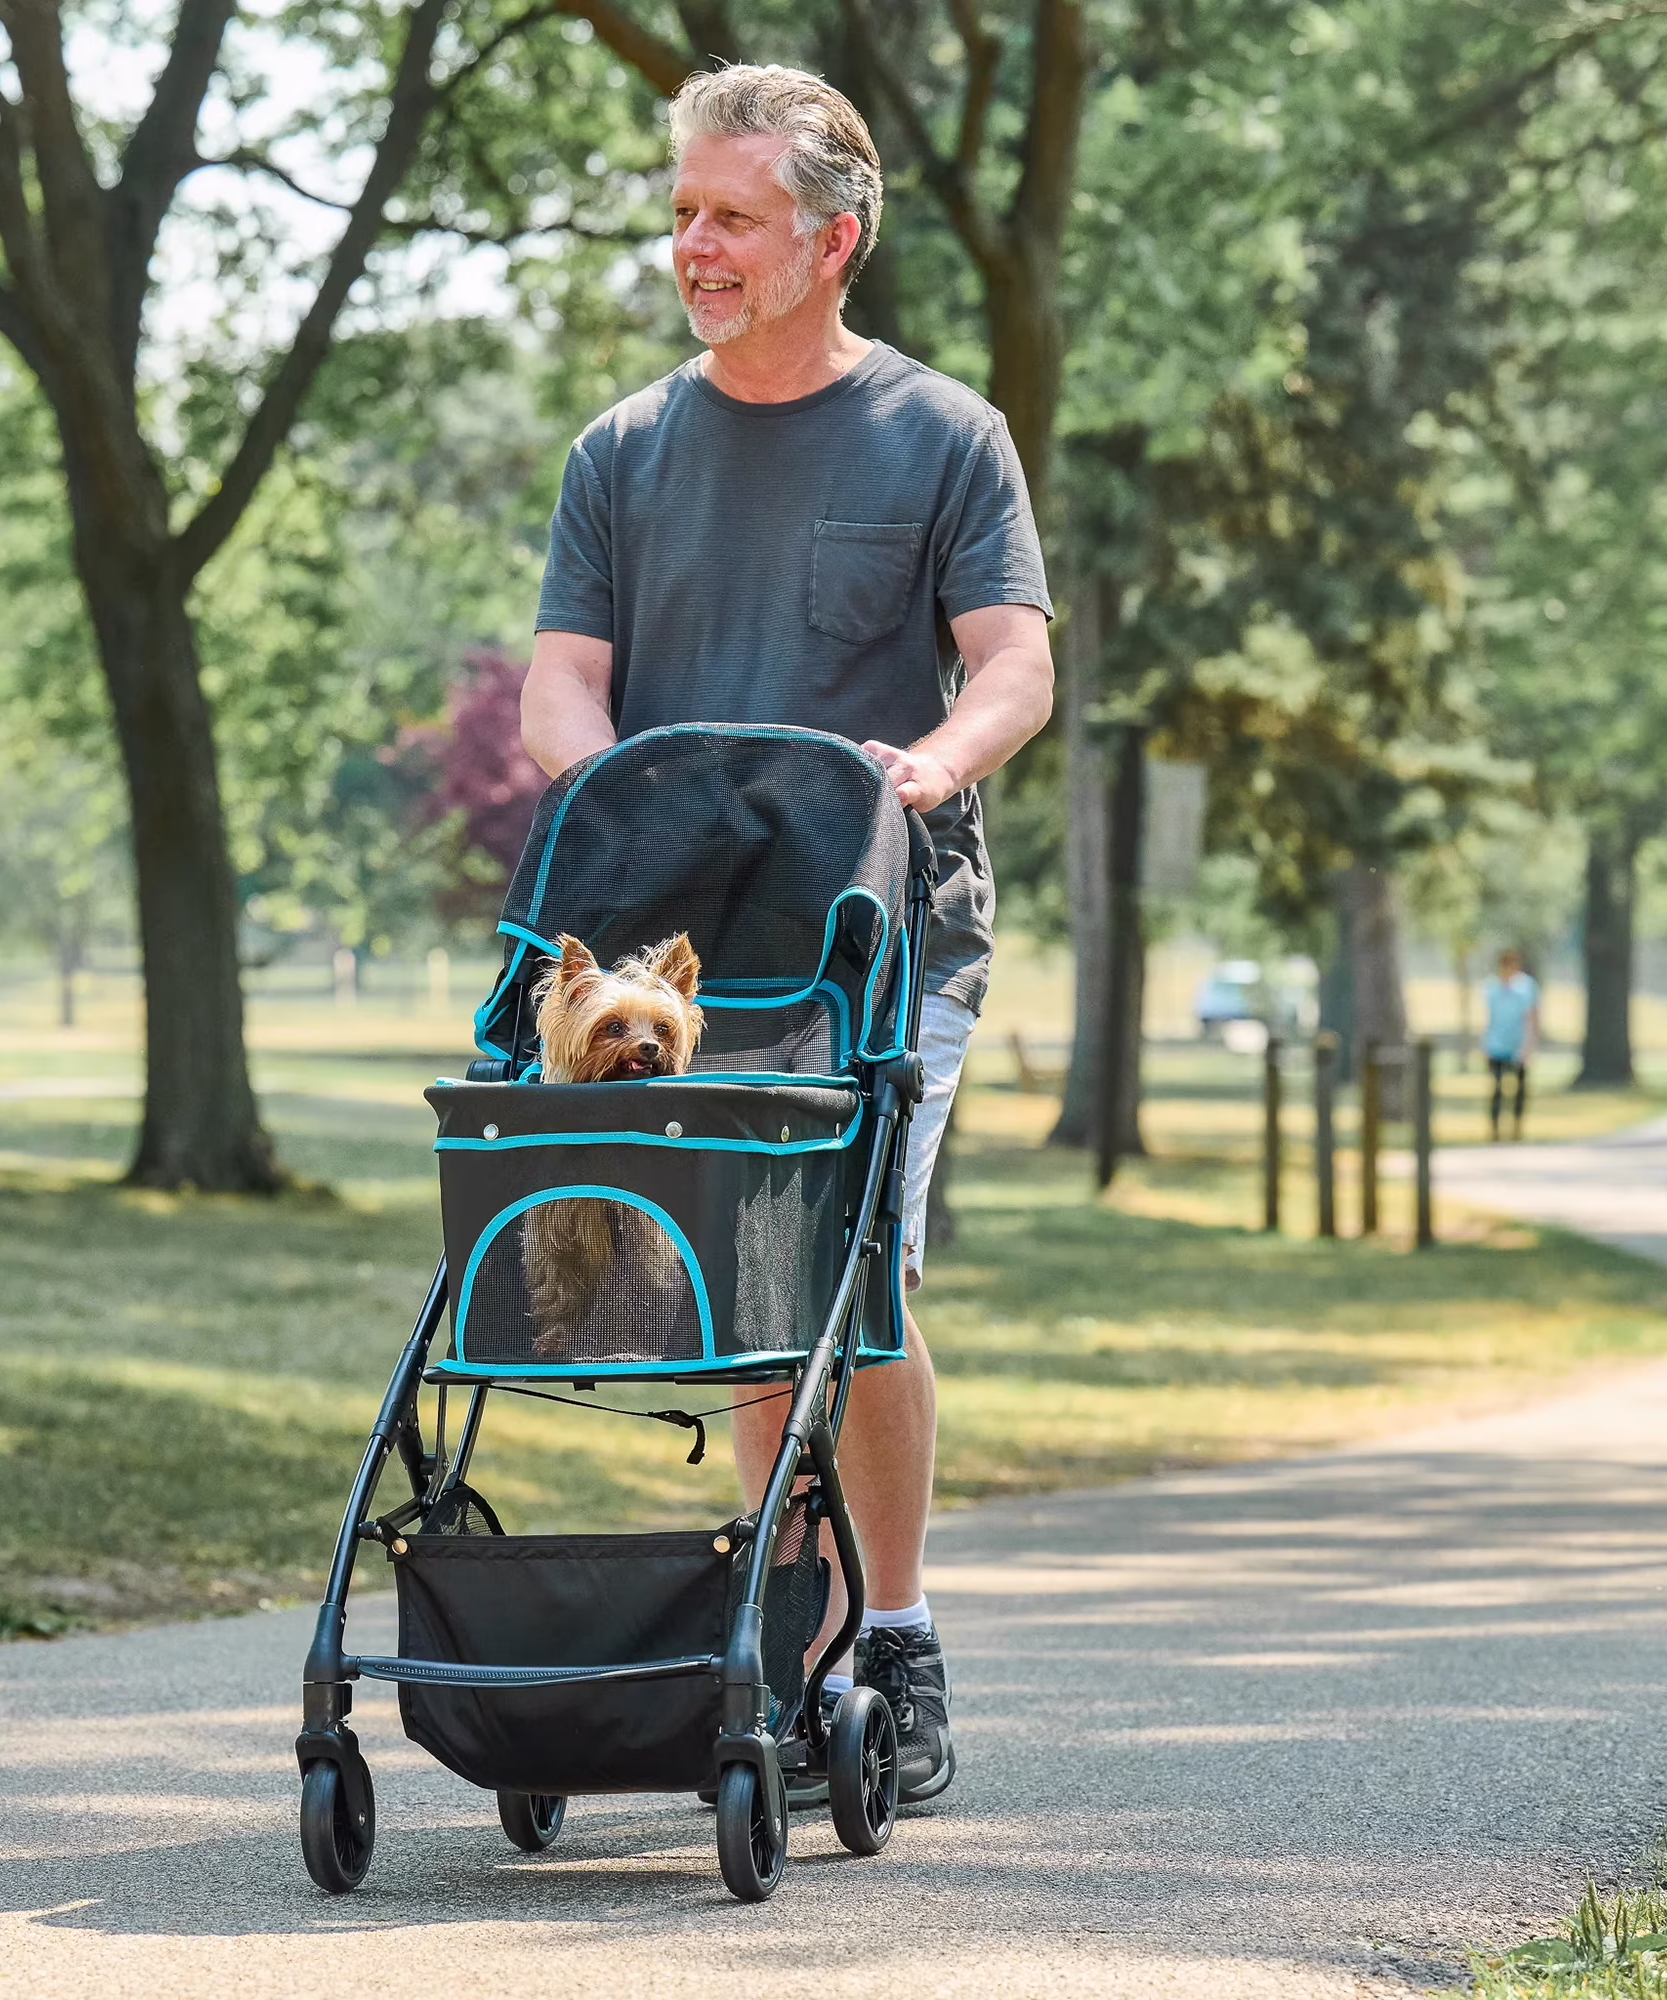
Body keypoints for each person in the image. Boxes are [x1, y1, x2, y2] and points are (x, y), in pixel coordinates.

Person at [520, 64, 1055, 1806]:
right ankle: (777, 1625)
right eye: (683, 213)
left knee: (863, 1279)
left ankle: (890, 1634)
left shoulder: (943, 434)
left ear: (832, 241)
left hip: (881, 938)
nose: (695, 244)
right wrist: (614, 799)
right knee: (752, 1298)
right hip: (684, 965)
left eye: (731, 217)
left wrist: (936, 760)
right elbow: (561, 687)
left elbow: (1014, 664)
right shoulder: (622, 450)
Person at [1483, 949, 1540, 1140]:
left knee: (1520, 1089)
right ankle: (1495, 1130)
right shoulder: (1492, 988)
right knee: (1497, 1088)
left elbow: (1531, 1017)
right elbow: (1489, 1018)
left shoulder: (1526, 987)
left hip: (1519, 1045)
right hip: (1497, 1045)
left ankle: (1517, 1127)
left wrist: (1530, 1045)